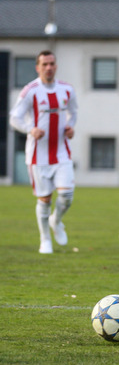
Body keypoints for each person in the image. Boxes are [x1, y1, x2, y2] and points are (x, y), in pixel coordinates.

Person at [10, 50, 78, 254]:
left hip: (61, 152)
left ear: (55, 66)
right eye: (44, 64)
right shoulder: (30, 91)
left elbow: (73, 112)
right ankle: (45, 240)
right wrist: (30, 129)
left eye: (51, 64)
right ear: (37, 67)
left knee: (67, 195)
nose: (48, 68)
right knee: (45, 199)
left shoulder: (67, 89)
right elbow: (14, 118)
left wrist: (71, 127)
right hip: (37, 155)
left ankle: (55, 220)